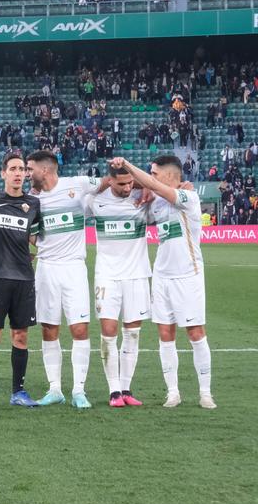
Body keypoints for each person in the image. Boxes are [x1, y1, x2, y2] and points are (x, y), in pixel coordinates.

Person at [109, 155, 215, 409]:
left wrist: (130, 167)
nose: (152, 176)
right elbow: (134, 189)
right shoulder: (155, 199)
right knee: (165, 334)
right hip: (162, 276)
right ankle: (173, 392)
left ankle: (205, 393)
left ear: (170, 176)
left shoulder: (189, 198)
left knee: (196, 333)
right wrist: (143, 185)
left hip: (188, 275)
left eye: (154, 173)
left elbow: (155, 187)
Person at [26, 150, 102, 409]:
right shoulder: (33, 200)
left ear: (45, 170)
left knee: (79, 328)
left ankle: (79, 390)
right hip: (46, 268)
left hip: (73, 268)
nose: (27, 173)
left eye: (30, 168)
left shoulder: (77, 185)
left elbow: (109, 182)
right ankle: (55, 389)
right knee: (49, 329)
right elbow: (33, 238)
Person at [0, 153, 43, 409]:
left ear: (26, 174)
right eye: (12, 168)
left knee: (21, 336)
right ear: (3, 173)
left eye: (22, 169)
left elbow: (36, 237)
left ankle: (18, 392)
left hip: (24, 278)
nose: (17, 173)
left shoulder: (33, 204)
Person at [86, 164, 149, 408]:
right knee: (108, 333)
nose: (126, 188)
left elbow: (164, 187)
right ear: (110, 181)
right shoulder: (94, 200)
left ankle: (126, 388)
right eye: (121, 184)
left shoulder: (142, 198)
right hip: (107, 276)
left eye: (130, 183)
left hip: (137, 275)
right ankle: (113, 391)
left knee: (132, 334)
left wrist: (145, 187)